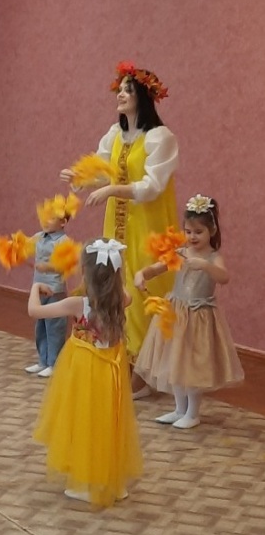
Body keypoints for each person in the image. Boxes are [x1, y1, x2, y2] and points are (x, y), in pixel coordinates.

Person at [60, 61, 179, 398]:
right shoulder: (115, 135)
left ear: (143, 96)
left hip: (146, 226)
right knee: (114, 286)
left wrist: (113, 189)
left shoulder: (160, 137)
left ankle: (145, 371)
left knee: (141, 290)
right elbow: (101, 171)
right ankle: (120, 360)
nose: (121, 95)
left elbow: (152, 186)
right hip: (116, 225)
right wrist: (80, 178)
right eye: (120, 90)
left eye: (128, 90)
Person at [29, 238, 142, 507]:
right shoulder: (123, 299)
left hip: (84, 369)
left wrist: (35, 287)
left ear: (85, 273)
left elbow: (35, 311)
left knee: (84, 421)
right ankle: (112, 481)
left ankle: (88, 483)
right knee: (108, 421)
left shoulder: (78, 304)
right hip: (112, 371)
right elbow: (118, 287)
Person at [134, 195, 244, 429]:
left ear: (212, 230)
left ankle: (192, 413)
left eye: (198, 232)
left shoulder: (213, 257)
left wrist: (206, 266)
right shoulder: (181, 253)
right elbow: (158, 267)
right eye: (188, 231)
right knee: (174, 361)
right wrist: (142, 274)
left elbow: (224, 278)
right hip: (176, 313)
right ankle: (179, 409)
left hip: (199, 316)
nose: (192, 236)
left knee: (192, 365)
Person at [24, 214, 71, 378]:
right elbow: (26, 245)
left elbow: (66, 265)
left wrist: (49, 267)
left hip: (54, 289)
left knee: (54, 327)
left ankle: (54, 363)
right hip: (39, 289)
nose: (45, 220)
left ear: (63, 222)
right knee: (41, 327)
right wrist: (15, 247)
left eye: (51, 218)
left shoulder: (64, 241)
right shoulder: (39, 236)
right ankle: (43, 361)